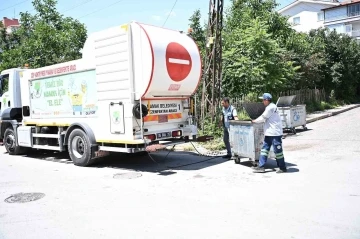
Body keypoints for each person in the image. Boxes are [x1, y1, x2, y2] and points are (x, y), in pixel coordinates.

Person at [251, 93, 287, 173]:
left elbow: (263, 118)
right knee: (264, 149)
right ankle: (261, 166)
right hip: (269, 133)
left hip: (275, 133)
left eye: (263, 100)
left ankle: (282, 167)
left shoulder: (270, 108)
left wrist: (254, 121)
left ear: (267, 100)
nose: (262, 101)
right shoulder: (271, 106)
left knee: (278, 151)